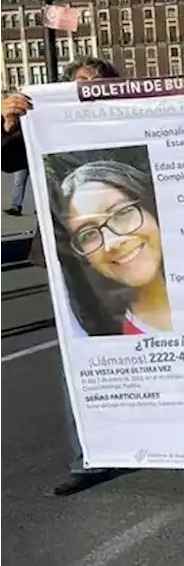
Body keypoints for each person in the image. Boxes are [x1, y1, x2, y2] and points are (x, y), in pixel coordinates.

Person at [0, 57, 127, 496]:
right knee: (79, 358)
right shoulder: (46, 120)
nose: (85, 89)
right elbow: (6, 159)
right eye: (78, 83)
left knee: (145, 346)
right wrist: (10, 121)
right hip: (67, 254)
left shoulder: (131, 115)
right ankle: (86, 457)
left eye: (95, 83)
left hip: (133, 246)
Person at [52, 159, 169, 336]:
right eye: (88, 235)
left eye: (122, 213)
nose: (112, 242)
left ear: (151, 207)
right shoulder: (103, 336)